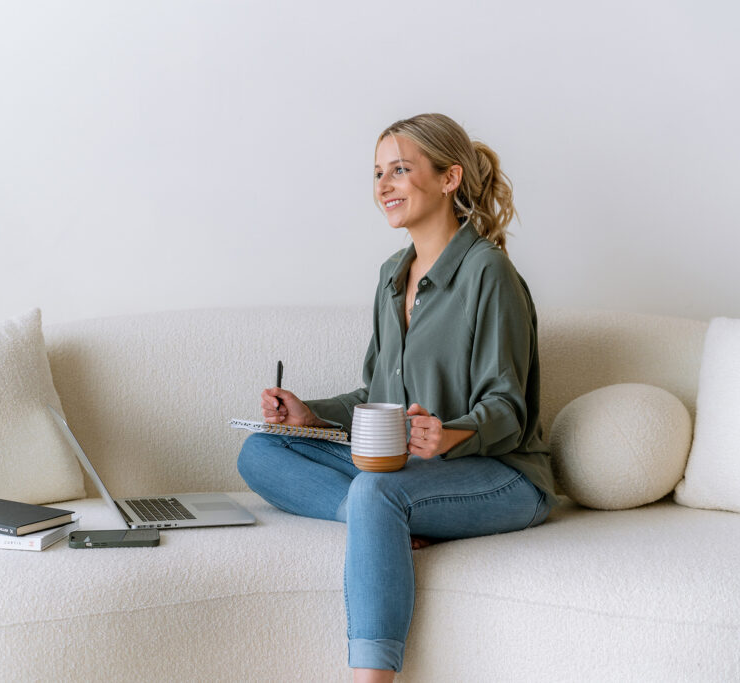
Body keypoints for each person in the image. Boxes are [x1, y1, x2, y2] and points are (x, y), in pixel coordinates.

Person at [236, 113, 557, 682]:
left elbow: (509, 410)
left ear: (449, 177)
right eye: (378, 173)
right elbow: (374, 392)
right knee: (261, 451)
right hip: (407, 467)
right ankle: (386, 520)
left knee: (376, 492)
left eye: (401, 170)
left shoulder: (489, 273)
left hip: (501, 472)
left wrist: (450, 431)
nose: (384, 185)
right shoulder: (391, 275)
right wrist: (310, 414)